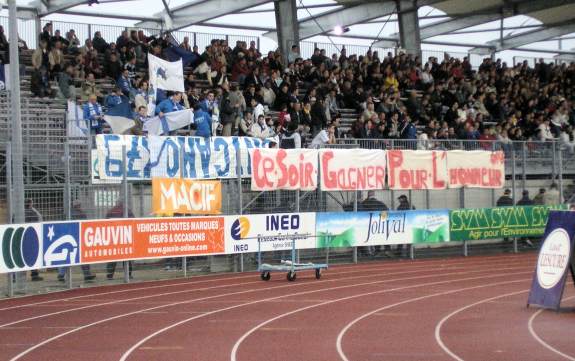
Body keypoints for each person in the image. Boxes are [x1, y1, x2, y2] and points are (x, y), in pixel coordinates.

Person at [58, 200, 96, 282]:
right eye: (79, 205)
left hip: (67, 236)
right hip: (78, 237)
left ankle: (61, 274)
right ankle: (87, 274)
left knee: (67, 256)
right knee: (82, 256)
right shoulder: (81, 213)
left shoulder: (67, 213)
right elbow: (85, 225)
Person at [106, 201, 135, 280]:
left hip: (114, 236)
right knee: (126, 256)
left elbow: (106, 222)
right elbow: (133, 221)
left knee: (113, 257)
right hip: (124, 236)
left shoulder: (112, 211)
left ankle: (110, 275)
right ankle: (128, 274)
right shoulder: (127, 211)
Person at [360, 191, 389, 256]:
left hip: (368, 225)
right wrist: (383, 220)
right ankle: (380, 250)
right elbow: (386, 211)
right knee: (380, 237)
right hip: (379, 224)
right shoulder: (380, 203)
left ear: (368, 195)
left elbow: (360, 211)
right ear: (374, 195)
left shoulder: (364, 203)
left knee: (368, 238)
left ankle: (368, 252)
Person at [23, 199, 44, 281]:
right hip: (31, 236)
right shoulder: (32, 212)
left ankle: (16, 277)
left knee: (22, 255)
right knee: (32, 255)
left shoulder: (20, 211)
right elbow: (38, 220)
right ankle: (34, 275)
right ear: (30, 204)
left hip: (24, 235)